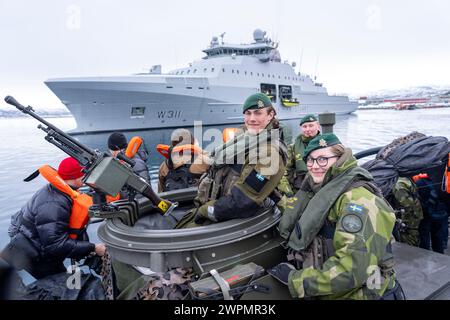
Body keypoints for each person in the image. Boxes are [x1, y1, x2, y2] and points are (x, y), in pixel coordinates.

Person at [268, 133, 402, 300]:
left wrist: (296, 281)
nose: (314, 166)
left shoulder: (359, 202)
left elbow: (352, 269)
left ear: (340, 159)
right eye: (310, 160)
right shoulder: (319, 190)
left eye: (323, 159)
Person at [175, 92, 287, 228]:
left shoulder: (269, 152)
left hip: (231, 220)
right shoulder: (244, 139)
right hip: (217, 206)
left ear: (270, 115)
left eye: (258, 113)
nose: (252, 118)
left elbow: (243, 201)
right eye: (248, 113)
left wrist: (205, 210)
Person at [1, 157, 105, 280]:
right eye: (84, 175)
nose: (87, 178)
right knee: (59, 287)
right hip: (35, 254)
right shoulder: (54, 204)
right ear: (75, 177)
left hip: (40, 245)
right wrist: (93, 248)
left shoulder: (62, 190)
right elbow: (55, 245)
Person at [278, 114, 320, 197]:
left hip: (320, 188)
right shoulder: (293, 148)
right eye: (305, 126)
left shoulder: (326, 145)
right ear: (301, 128)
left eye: (311, 125)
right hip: (299, 189)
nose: (308, 129)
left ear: (318, 126)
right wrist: (288, 192)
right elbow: (284, 171)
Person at [415, 173, 449, 254]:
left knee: (424, 237)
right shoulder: (443, 181)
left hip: (426, 214)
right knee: (438, 237)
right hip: (440, 214)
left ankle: (425, 255)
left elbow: (417, 199)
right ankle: (439, 254)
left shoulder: (419, 182)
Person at [389, 177, 423, 247]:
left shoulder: (400, 184)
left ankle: (411, 251)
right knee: (411, 234)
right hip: (413, 214)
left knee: (410, 235)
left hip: (411, 215)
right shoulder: (403, 181)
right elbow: (407, 202)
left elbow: (407, 203)